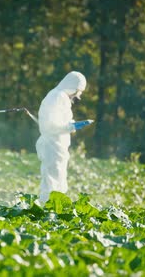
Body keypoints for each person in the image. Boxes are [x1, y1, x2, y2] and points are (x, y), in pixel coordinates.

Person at [35, 71, 89, 203]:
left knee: (59, 179)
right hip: (52, 145)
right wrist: (70, 127)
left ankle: (56, 210)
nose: (77, 94)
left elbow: (62, 120)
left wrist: (72, 124)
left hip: (58, 146)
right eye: (77, 90)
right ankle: (47, 209)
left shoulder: (61, 97)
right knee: (51, 181)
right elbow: (50, 124)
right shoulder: (56, 96)